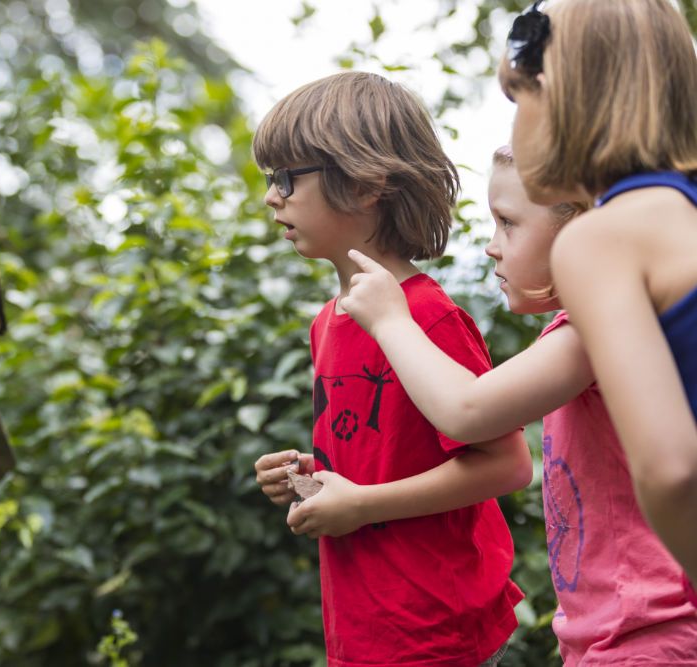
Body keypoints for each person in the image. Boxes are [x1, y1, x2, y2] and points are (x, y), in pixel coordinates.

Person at [339, 145, 697, 664]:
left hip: (650, 634)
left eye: (508, 223)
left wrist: (393, 321)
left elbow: (466, 410)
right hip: (610, 634)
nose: (491, 247)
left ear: (582, 228)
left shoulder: (590, 333)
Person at [251, 72, 529, 667]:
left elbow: (505, 464)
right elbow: (381, 451)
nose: (271, 197)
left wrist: (363, 505)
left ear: (365, 182)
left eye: (285, 178)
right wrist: (310, 474)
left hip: (437, 630)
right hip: (363, 627)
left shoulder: (428, 316)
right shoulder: (328, 321)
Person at [498, 0, 697, 605]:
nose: (513, 129)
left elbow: (671, 470)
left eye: (517, 101)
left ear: (559, 95)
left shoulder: (599, 241)